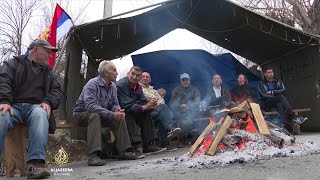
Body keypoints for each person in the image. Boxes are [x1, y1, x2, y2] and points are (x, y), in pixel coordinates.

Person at [0, 39, 64, 179]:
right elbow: (3, 79)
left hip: (35, 107)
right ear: (35, 50)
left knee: (41, 115)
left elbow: (58, 91)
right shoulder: (15, 63)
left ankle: (35, 165)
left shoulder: (48, 72)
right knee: (1, 116)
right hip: (13, 106)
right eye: (47, 51)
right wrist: (4, 100)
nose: (50, 55)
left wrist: (48, 101)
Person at [73, 61, 143, 166]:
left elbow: (114, 103)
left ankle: (124, 151)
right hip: (82, 113)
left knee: (119, 117)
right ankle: (93, 155)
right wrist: (111, 114)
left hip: (100, 114)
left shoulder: (113, 86)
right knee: (95, 116)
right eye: (114, 70)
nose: (117, 73)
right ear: (106, 73)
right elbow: (90, 107)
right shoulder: (92, 84)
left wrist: (117, 110)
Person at [116, 66, 166, 154]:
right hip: (121, 111)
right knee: (129, 114)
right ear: (128, 74)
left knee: (146, 114)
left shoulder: (138, 87)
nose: (134, 77)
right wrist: (144, 107)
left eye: (137, 75)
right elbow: (126, 105)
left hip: (134, 110)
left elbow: (142, 101)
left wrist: (150, 106)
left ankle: (148, 145)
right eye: (133, 74)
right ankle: (136, 145)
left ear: (140, 78)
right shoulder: (121, 85)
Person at [140, 72, 181, 150]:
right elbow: (147, 96)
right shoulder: (139, 88)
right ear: (140, 78)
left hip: (155, 111)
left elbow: (162, 100)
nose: (145, 78)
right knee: (163, 109)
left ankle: (163, 143)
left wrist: (157, 103)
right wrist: (156, 101)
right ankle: (170, 129)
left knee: (162, 116)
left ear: (150, 79)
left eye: (147, 77)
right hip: (145, 112)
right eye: (143, 76)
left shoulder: (152, 89)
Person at [170, 73, 201, 146]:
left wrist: (189, 105)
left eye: (186, 80)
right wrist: (180, 105)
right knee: (183, 115)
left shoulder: (194, 89)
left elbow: (197, 101)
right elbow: (173, 102)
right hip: (179, 111)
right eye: (183, 80)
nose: (185, 81)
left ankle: (182, 139)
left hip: (192, 110)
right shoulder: (176, 90)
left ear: (189, 80)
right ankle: (192, 134)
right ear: (180, 81)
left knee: (188, 115)